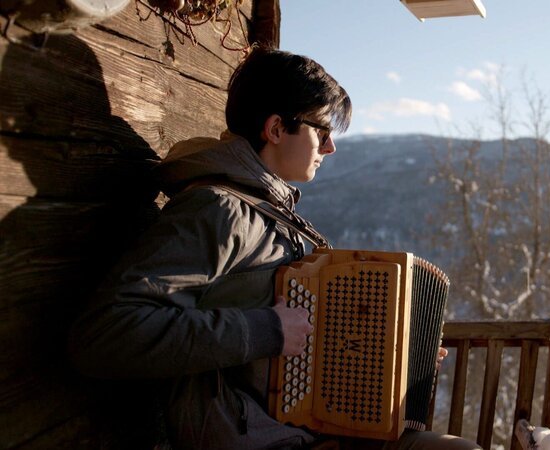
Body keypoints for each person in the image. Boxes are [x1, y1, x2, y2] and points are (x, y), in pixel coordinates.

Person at [69, 47, 479, 450]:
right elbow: (106, 334)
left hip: (317, 429)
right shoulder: (217, 210)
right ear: (277, 129)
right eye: (322, 132)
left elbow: (314, 342)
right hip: (261, 437)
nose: (330, 147)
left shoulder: (273, 212)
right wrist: (266, 330)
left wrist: (400, 363)